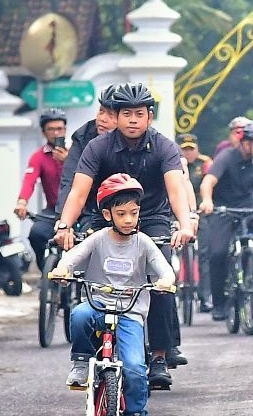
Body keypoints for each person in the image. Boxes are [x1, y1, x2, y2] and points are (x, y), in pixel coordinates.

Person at [54, 83, 193, 389]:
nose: (132, 120)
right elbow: (78, 192)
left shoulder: (164, 147)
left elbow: (175, 189)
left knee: (162, 280)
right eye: (126, 113)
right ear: (115, 116)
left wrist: (184, 224)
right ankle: (87, 354)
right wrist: (65, 226)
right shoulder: (97, 147)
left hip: (151, 217)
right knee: (90, 272)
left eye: (139, 114)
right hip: (103, 215)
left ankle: (158, 355)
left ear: (150, 117)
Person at [59, 174, 176, 416]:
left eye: (133, 213)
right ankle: (80, 362)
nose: (128, 220)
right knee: (79, 315)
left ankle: (136, 415)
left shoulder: (144, 243)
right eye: (121, 213)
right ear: (107, 214)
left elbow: (164, 269)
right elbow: (72, 257)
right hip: (98, 304)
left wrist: (165, 281)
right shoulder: (98, 239)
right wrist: (63, 269)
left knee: (135, 366)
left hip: (130, 313)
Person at [199, 121, 253, 321]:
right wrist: (207, 201)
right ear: (246, 143)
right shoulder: (226, 157)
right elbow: (208, 182)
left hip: (248, 207)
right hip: (223, 209)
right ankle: (219, 303)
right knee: (217, 253)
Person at [16, 109, 69, 271]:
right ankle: (45, 271)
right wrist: (22, 203)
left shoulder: (77, 152)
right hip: (53, 211)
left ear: (65, 130)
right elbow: (29, 181)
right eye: (51, 129)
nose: (55, 133)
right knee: (36, 234)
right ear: (43, 132)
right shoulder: (38, 156)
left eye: (59, 129)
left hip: (79, 211)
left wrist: (67, 161)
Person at [56, 86, 119, 219]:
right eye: (101, 111)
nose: (103, 118)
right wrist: (63, 222)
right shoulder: (82, 136)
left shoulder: (136, 139)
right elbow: (69, 182)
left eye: (111, 115)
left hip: (131, 212)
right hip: (91, 211)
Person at [179, 133, 215, 313]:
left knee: (205, 253)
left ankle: (205, 296)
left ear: (197, 149)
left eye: (191, 149)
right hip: (178, 211)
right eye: (184, 150)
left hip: (202, 211)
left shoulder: (206, 163)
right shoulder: (174, 164)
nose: (188, 153)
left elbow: (213, 184)